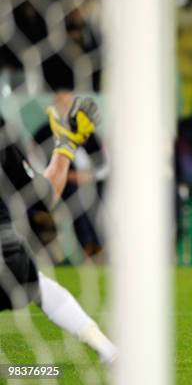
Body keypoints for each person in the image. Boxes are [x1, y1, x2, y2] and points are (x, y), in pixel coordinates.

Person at [0, 97, 116, 363]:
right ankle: (108, 350)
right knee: (37, 285)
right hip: (9, 257)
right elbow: (41, 199)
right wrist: (66, 146)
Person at [33, 90, 106, 257]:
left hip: (90, 182)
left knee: (94, 193)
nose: (65, 107)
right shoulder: (44, 133)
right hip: (60, 184)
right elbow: (35, 163)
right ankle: (89, 245)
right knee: (75, 193)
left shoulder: (87, 131)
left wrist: (87, 176)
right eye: (62, 103)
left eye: (68, 103)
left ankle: (98, 244)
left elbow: (103, 165)